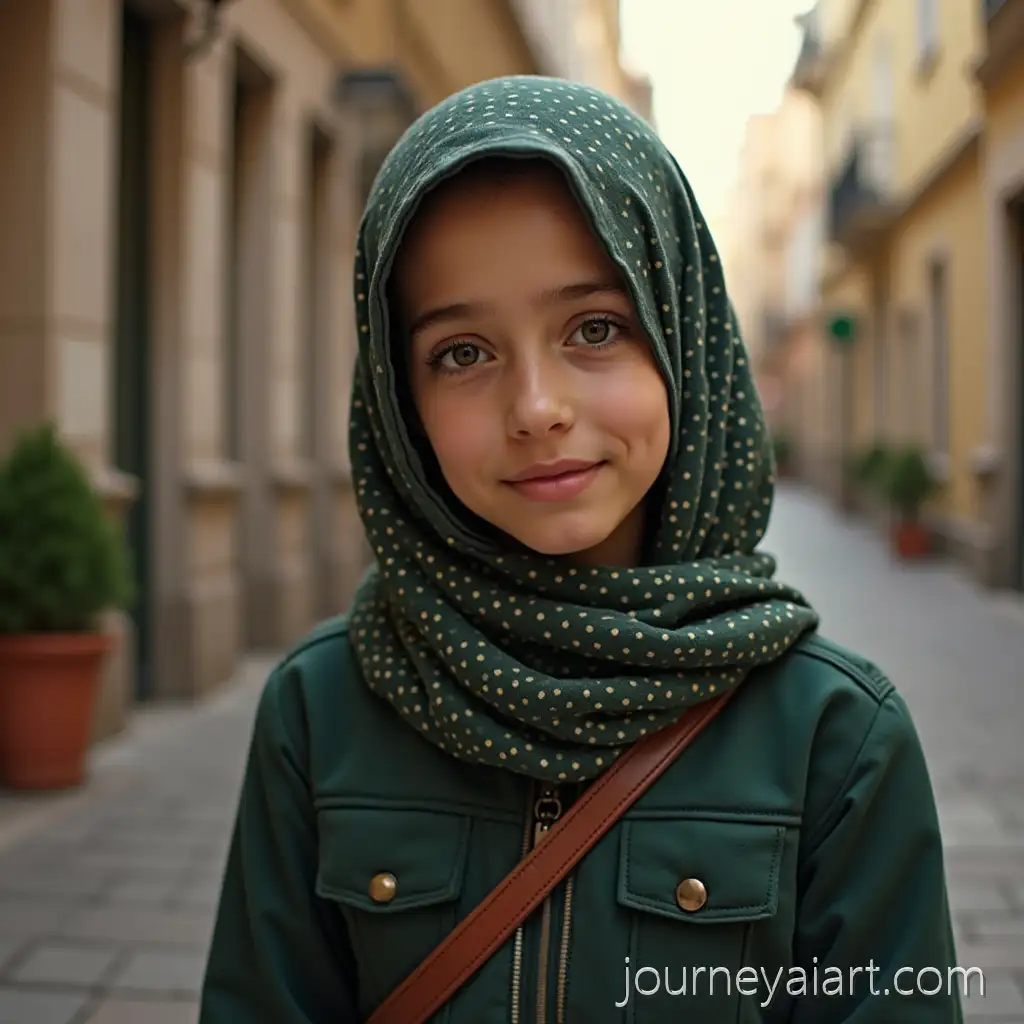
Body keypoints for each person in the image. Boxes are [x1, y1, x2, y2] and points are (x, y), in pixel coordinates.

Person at [198, 75, 963, 1023]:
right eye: (462, 353)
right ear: (400, 403)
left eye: (595, 329)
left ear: (682, 339)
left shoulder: (834, 738)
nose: (535, 409)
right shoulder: (322, 711)